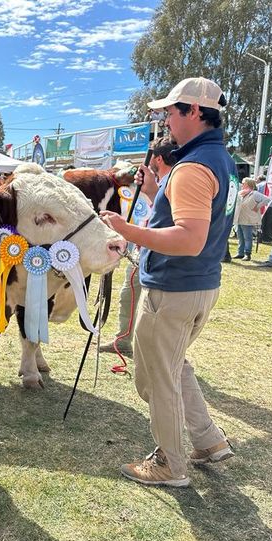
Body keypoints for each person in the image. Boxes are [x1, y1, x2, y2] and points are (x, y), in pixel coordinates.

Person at [100, 77, 237, 487]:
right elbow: (195, 223)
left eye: (170, 112)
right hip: (198, 285)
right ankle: (208, 440)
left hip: (174, 288)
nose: (165, 121)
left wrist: (127, 230)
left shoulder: (193, 167)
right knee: (172, 366)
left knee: (156, 378)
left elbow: (189, 239)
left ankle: (170, 464)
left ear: (193, 111)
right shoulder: (219, 159)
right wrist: (156, 192)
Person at [100, 136, 177, 356]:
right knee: (131, 295)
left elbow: (168, 217)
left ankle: (154, 350)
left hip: (156, 252)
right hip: (147, 249)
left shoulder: (173, 181)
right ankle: (125, 340)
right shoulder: (166, 181)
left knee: (145, 300)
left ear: (158, 159)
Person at [232, 177, 270, 261]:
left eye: (244, 183)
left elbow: (267, 199)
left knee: (247, 238)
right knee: (240, 237)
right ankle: (240, 253)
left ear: (249, 184)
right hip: (239, 218)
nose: (242, 185)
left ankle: (247, 254)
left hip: (248, 219)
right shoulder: (241, 193)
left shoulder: (254, 194)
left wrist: (258, 206)